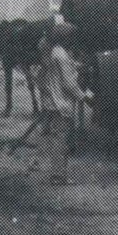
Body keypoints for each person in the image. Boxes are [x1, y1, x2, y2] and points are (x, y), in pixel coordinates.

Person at [35, 22, 90, 185]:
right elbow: (69, 83)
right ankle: (58, 176)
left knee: (58, 138)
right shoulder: (62, 55)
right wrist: (84, 96)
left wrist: (78, 66)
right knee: (61, 140)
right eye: (71, 38)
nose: (73, 41)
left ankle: (59, 174)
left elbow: (67, 67)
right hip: (61, 103)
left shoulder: (56, 51)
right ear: (65, 38)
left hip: (52, 102)